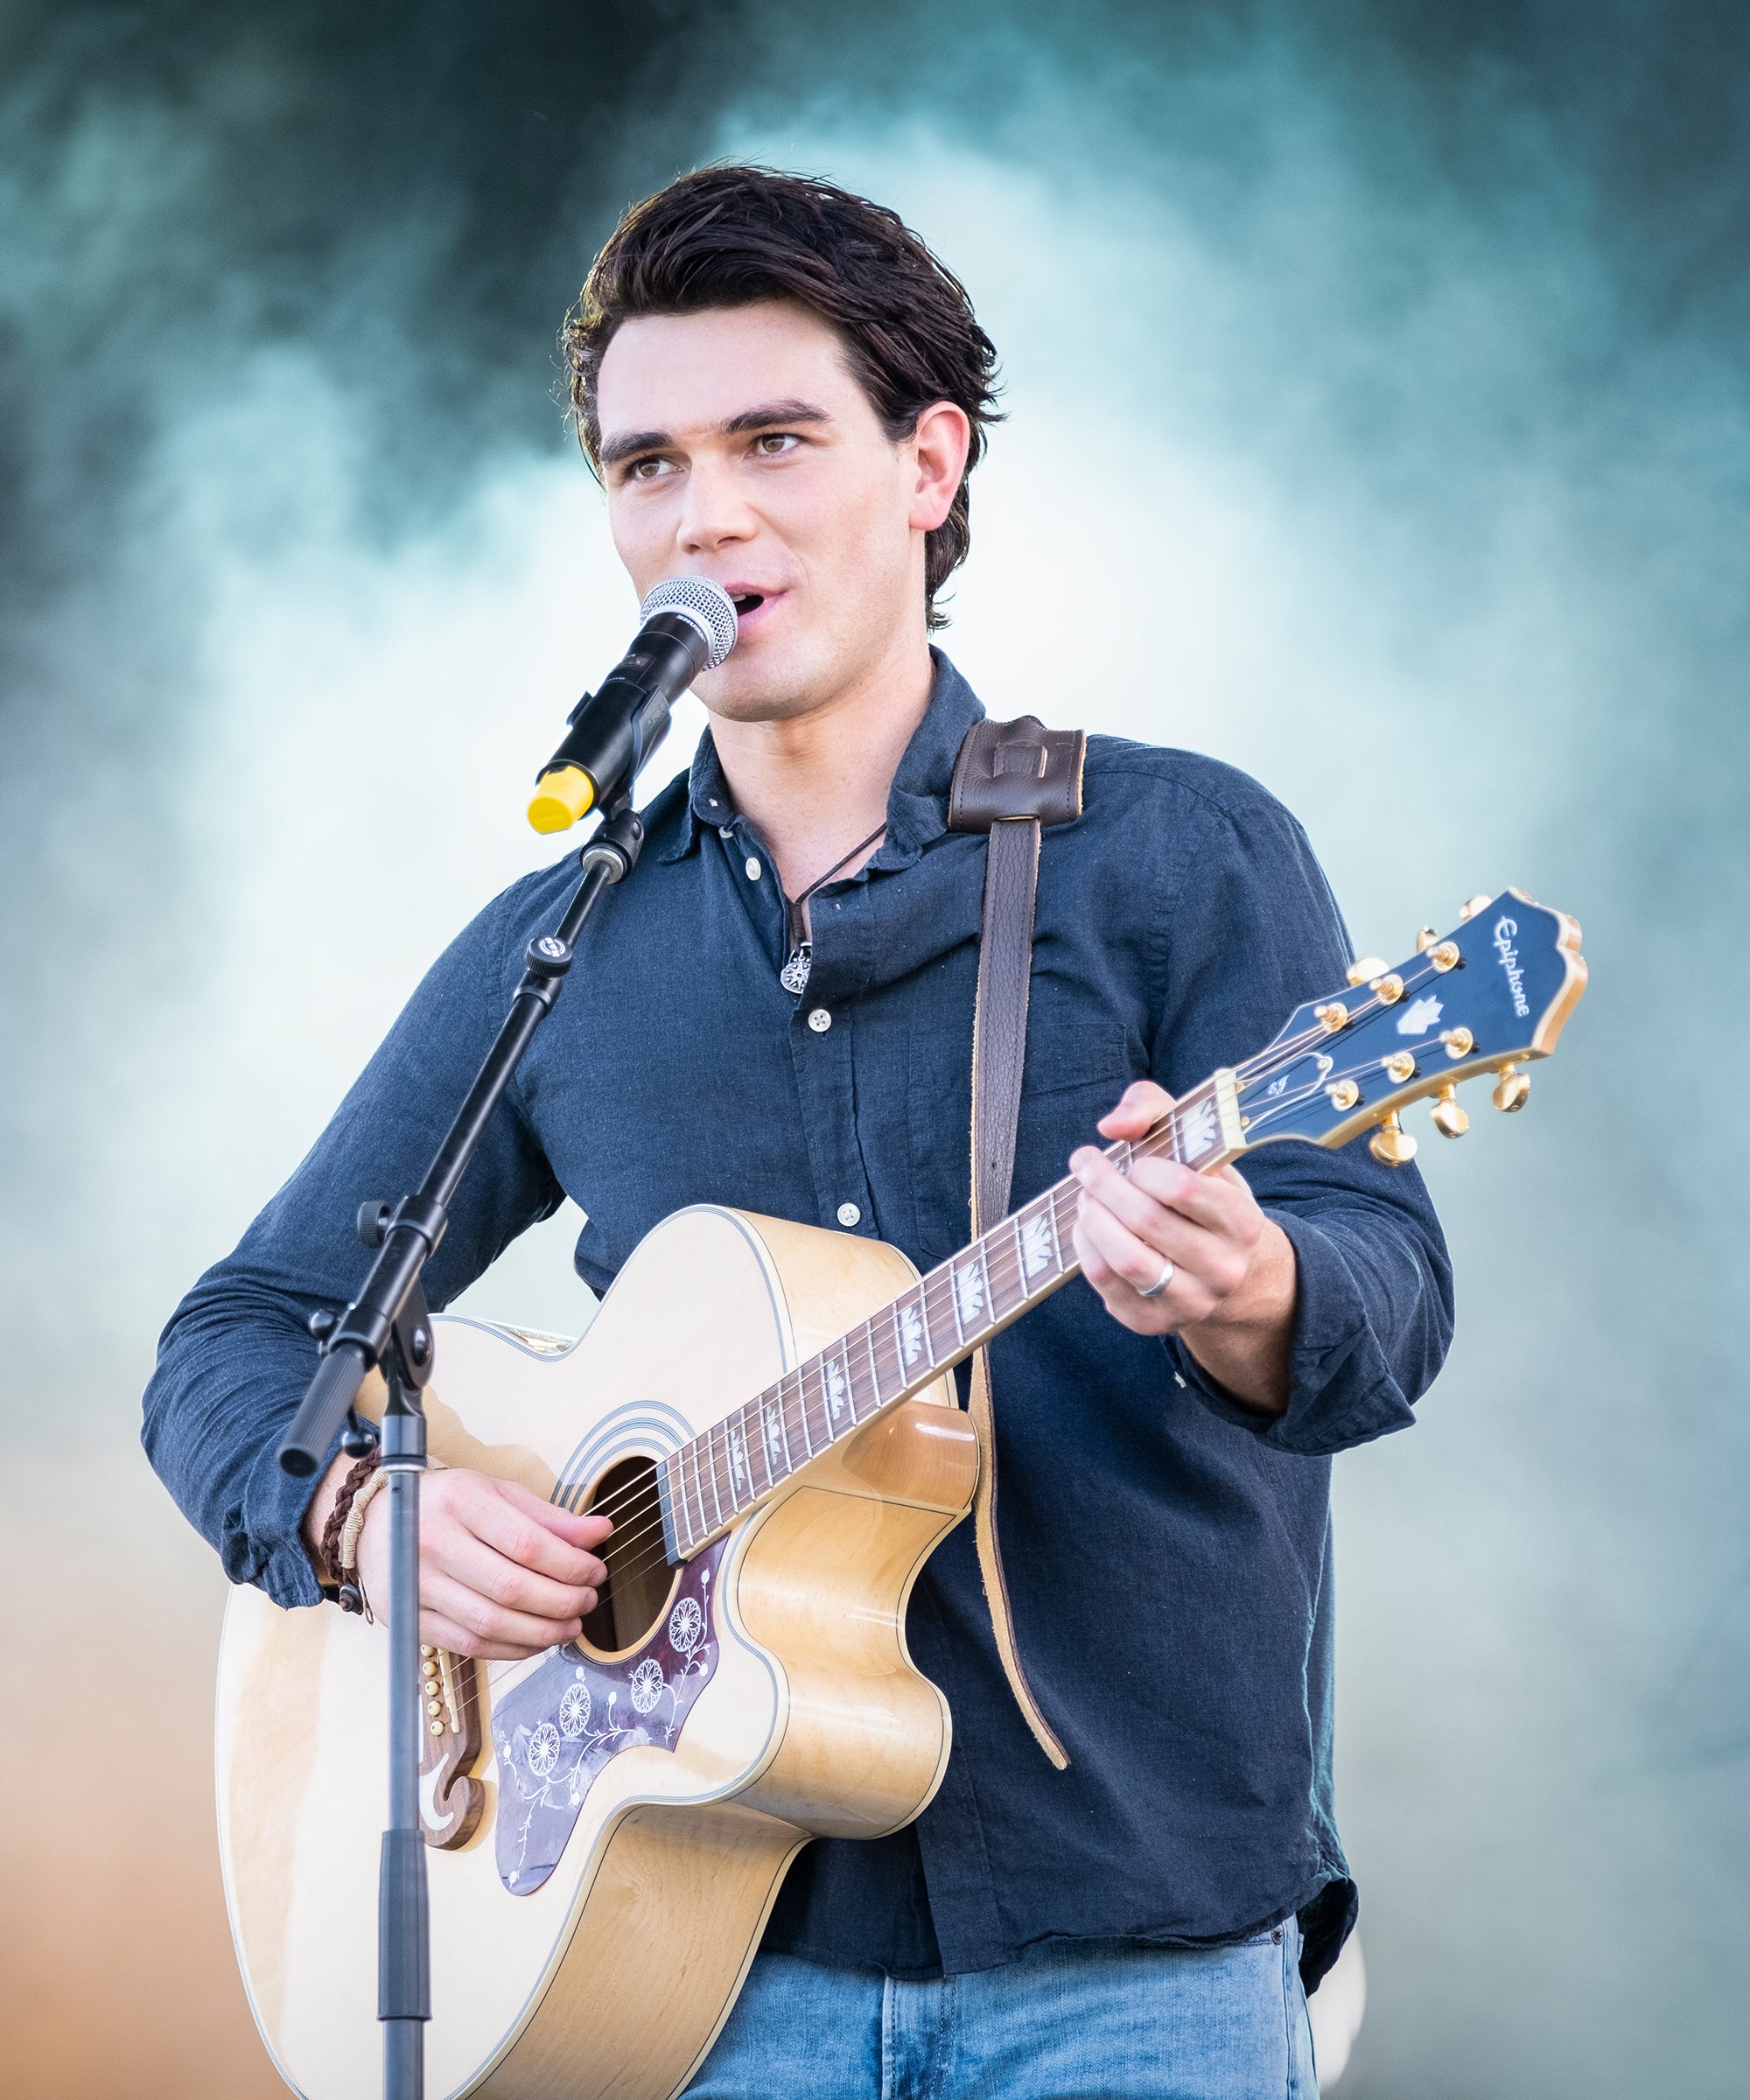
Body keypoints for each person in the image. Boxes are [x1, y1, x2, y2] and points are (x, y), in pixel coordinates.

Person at [144, 164, 1451, 2099]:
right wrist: (365, 1523)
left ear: (930, 463)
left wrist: (1250, 1282)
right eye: (647, 466)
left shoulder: (1178, 859)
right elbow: (240, 1336)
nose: (706, 515)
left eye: (773, 441)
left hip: (1134, 1955)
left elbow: (1387, 1296)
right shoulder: (568, 942)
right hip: (691, 1968)